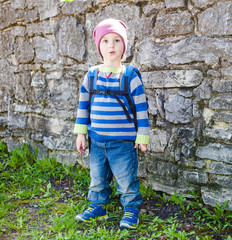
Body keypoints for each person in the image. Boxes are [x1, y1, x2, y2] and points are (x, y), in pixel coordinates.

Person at [73, 18, 149, 229]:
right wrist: (81, 134)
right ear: (99, 47)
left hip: (123, 143)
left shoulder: (130, 75)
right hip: (96, 140)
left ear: (124, 46)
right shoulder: (92, 75)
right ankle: (98, 207)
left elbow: (141, 107)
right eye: (105, 41)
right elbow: (83, 106)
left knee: (126, 180)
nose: (111, 45)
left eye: (116, 40)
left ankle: (131, 209)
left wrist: (142, 136)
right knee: (97, 177)